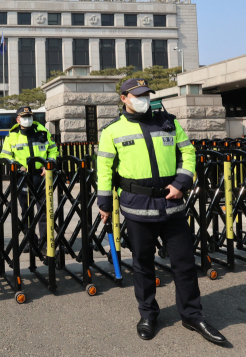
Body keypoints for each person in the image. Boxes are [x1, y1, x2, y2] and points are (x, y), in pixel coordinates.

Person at [97, 79, 227, 344]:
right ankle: (148, 314)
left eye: (146, 94)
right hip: (137, 208)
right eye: (138, 95)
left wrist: (181, 183)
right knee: (143, 265)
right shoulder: (111, 131)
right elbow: (104, 169)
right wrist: (104, 203)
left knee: (184, 263)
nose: (143, 98)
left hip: (172, 206)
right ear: (124, 98)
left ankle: (192, 314)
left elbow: (188, 154)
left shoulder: (169, 122)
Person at [0, 106, 58, 253]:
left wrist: (48, 165)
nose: (28, 119)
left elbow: (53, 149)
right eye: (24, 117)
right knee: (26, 211)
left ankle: (45, 242)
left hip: (41, 175)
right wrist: (18, 166)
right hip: (23, 178)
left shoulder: (43, 132)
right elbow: (4, 156)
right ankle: (30, 241)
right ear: (18, 119)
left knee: (44, 210)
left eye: (30, 116)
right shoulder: (12, 136)